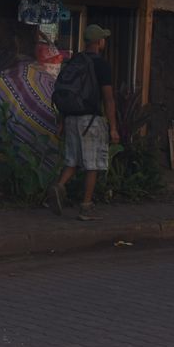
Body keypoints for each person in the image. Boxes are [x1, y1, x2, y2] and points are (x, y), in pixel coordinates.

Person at [48, 24, 120, 220]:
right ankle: (86, 207)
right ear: (99, 42)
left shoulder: (74, 61)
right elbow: (108, 98)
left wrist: (62, 122)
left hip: (71, 117)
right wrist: (113, 127)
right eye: (103, 38)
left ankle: (59, 185)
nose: (104, 41)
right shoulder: (101, 64)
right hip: (91, 121)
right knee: (92, 165)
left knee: (72, 160)